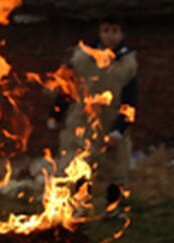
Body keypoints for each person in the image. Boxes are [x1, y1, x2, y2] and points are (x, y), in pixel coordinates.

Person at [48, 16, 138, 216]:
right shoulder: (82, 58)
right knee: (79, 161)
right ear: (99, 33)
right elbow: (66, 88)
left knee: (116, 166)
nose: (110, 36)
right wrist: (56, 113)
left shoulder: (127, 62)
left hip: (112, 118)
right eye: (106, 31)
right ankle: (80, 205)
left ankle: (113, 208)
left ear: (122, 34)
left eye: (115, 31)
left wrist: (119, 129)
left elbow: (130, 99)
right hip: (82, 118)